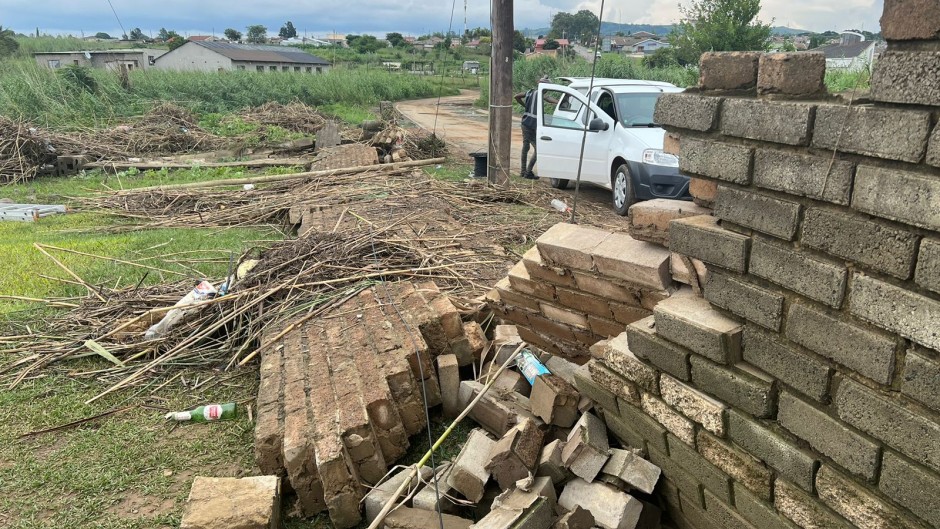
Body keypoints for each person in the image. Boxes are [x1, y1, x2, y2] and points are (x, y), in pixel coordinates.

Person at [514, 76, 550, 180]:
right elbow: (549, 99)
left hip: (525, 123)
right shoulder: (541, 94)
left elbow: (516, 96)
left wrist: (524, 105)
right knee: (538, 150)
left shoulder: (530, 92)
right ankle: (528, 172)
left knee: (525, 148)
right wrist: (560, 102)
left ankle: (523, 171)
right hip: (531, 126)